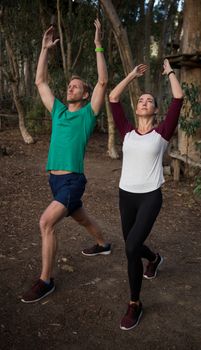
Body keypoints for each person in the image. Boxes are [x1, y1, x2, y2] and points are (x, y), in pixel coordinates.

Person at [21, 19, 111, 303]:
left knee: (46, 223)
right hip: (54, 180)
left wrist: (98, 43)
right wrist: (45, 49)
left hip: (73, 179)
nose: (70, 88)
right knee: (82, 218)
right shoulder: (58, 110)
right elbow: (40, 81)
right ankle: (103, 243)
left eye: (76, 86)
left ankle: (45, 281)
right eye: (69, 85)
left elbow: (103, 81)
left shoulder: (87, 115)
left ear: (84, 95)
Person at [109, 59, 183, 330]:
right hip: (125, 195)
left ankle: (134, 304)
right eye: (140, 99)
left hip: (150, 196)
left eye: (149, 100)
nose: (143, 102)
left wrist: (169, 72)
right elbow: (114, 97)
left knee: (130, 248)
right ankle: (153, 258)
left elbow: (178, 97)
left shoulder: (162, 132)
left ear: (155, 109)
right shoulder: (126, 131)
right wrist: (131, 75)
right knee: (132, 245)